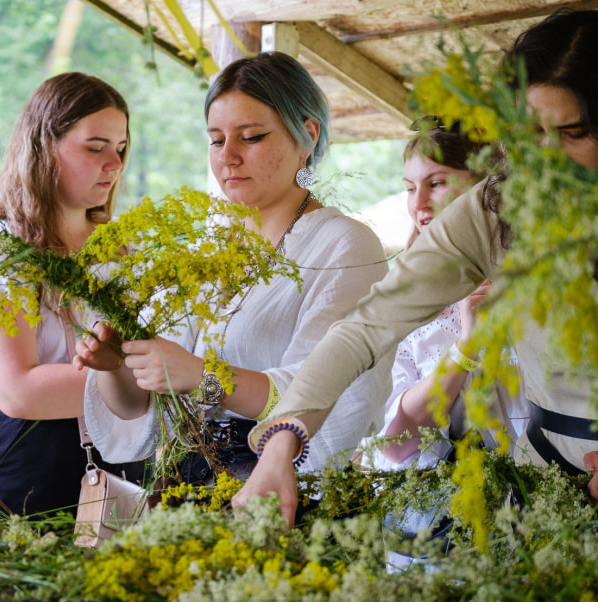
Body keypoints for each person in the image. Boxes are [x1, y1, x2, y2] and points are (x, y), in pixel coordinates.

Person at [235, 9, 598, 526]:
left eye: (573, 133)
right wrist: (281, 441)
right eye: (529, 135)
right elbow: (365, 327)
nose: (546, 161)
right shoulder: (496, 211)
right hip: (546, 484)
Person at [73, 52, 391, 484]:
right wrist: (116, 365)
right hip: (189, 495)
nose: (229, 157)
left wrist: (201, 377)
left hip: (287, 496)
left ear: (308, 136)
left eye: (252, 137)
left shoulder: (343, 246)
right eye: (217, 140)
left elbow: (321, 396)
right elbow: (145, 410)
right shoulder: (211, 248)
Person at [0, 72, 140, 516]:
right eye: (95, 147)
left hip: (121, 465)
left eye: (120, 149)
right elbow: (18, 390)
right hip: (19, 464)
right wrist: (148, 383)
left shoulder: (125, 249)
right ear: (43, 148)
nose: (113, 164)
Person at [360, 123, 528, 470]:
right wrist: (466, 347)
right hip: (441, 511)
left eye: (435, 184)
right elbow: (394, 446)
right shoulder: (403, 296)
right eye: (409, 188)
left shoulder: (543, 280)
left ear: (489, 185)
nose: (418, 203)